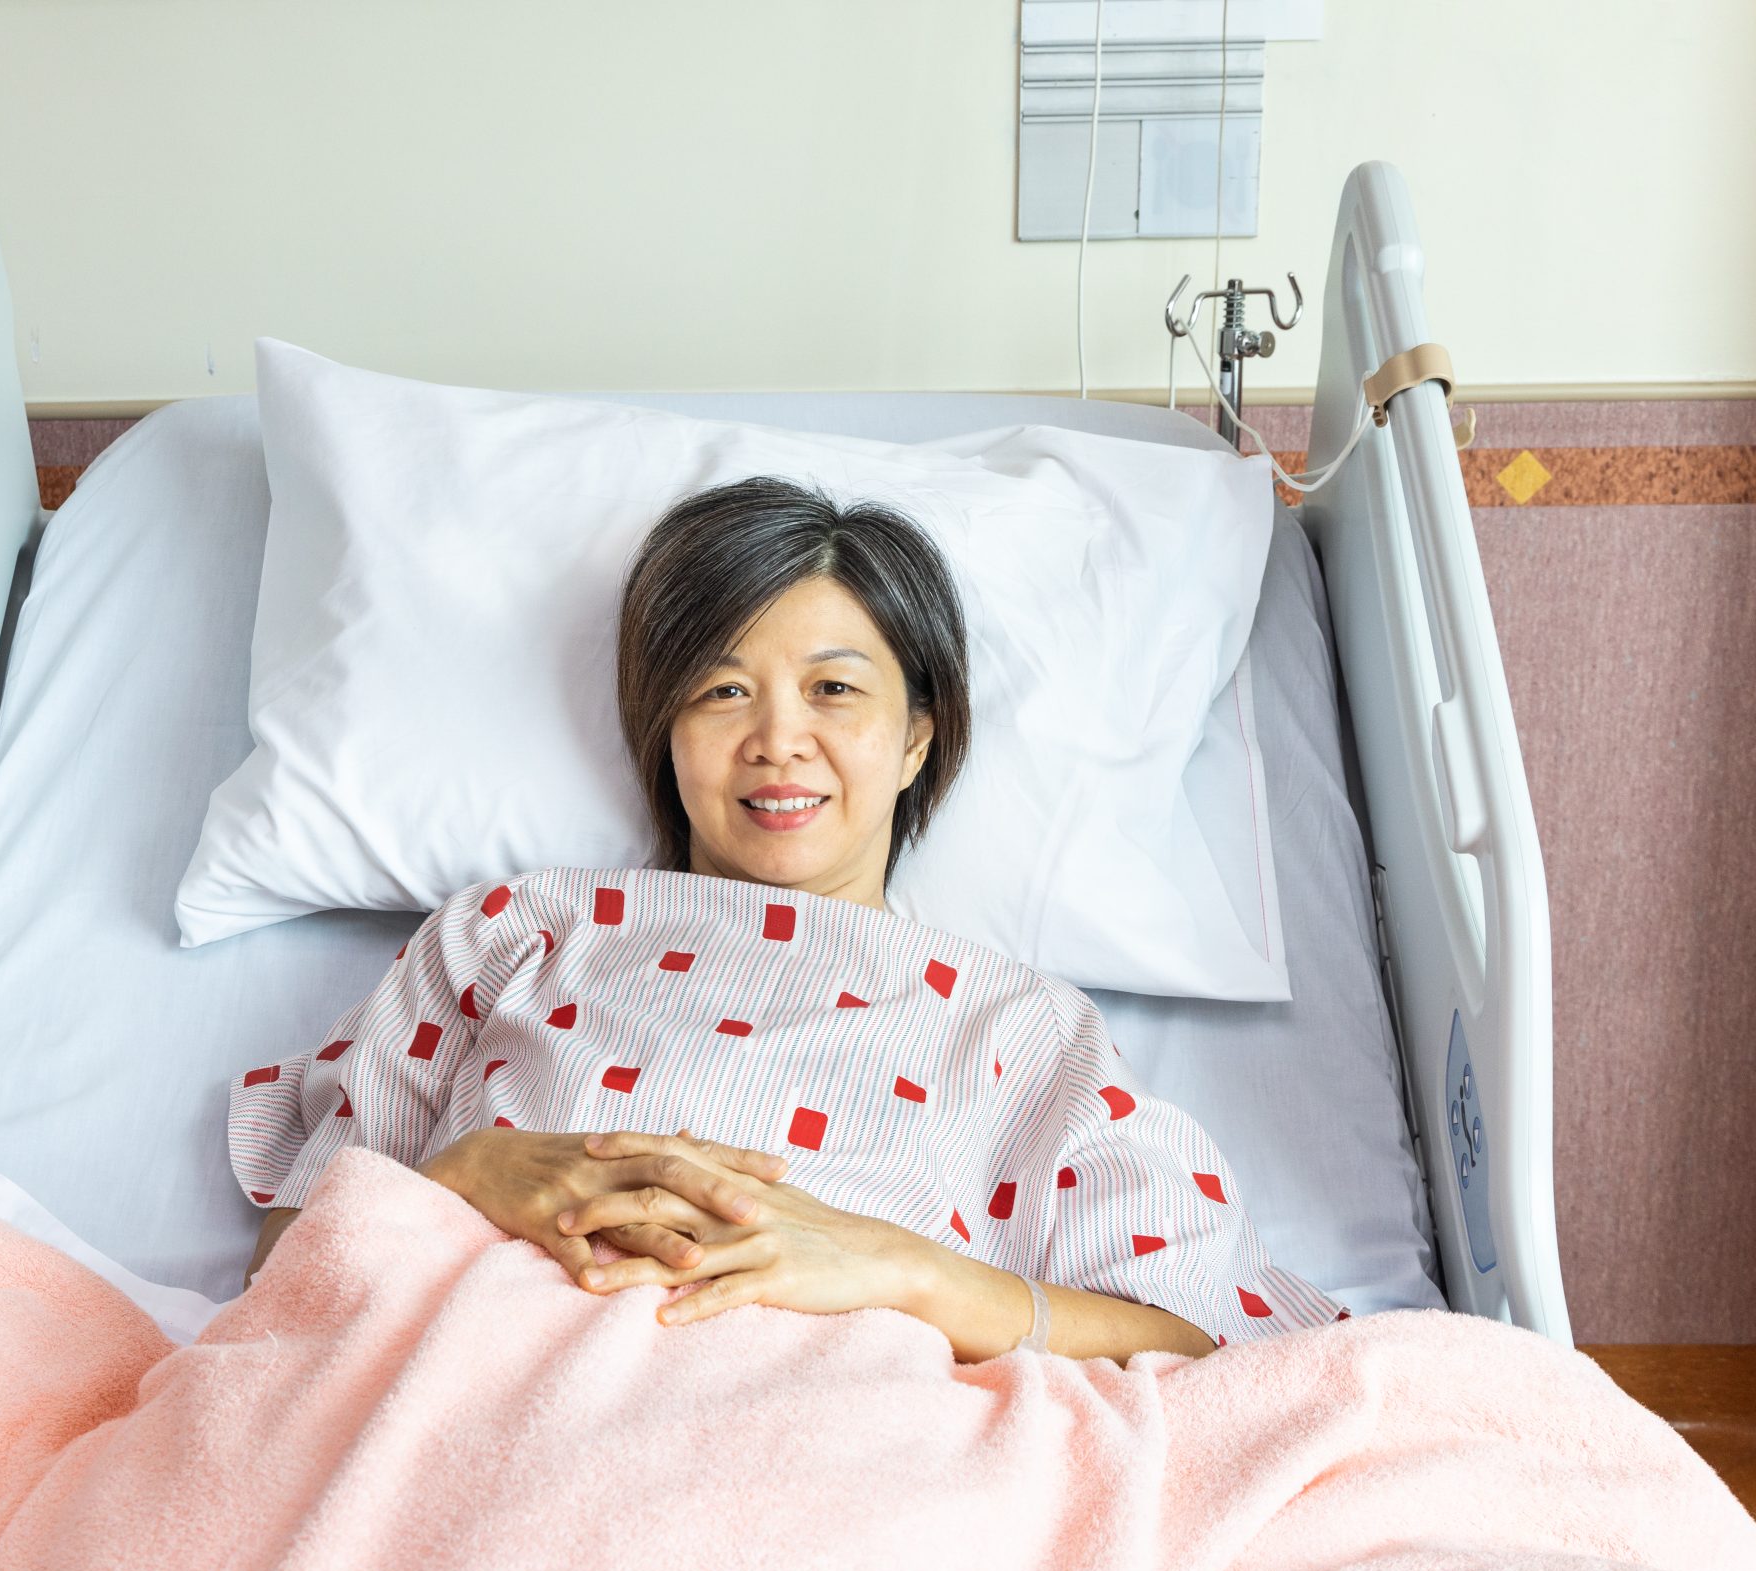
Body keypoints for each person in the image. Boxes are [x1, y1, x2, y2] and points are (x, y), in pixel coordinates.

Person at [229, 475, 1339, 1361]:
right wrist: (464, 1177)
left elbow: (1202, 1344)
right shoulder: (516, 931)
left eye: (834, 689)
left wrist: (905, 1271)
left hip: (838, 1445)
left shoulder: (1021, 1028)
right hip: (470, 1392)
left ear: (917, 739)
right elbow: (284, 1274)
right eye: (722, 691)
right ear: (664, 732)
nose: (776, 741)